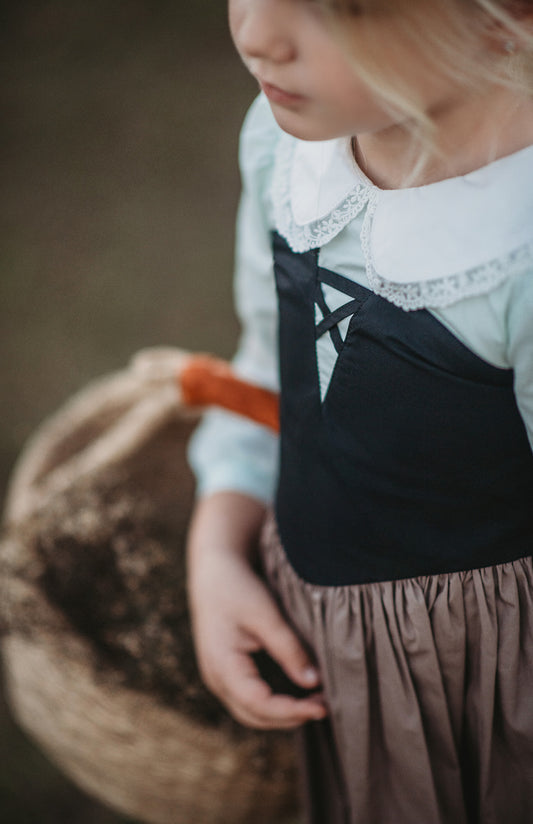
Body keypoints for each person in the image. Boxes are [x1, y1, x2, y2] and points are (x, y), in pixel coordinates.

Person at [186, 1, 533, 821]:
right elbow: (271, 370)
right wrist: (215, 549)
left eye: (338, 5)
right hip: (325, 662)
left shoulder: (516, 248)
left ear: (501, 19)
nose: (255, 34)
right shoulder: (282, 142)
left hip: (484, 704)